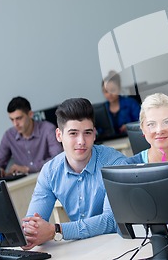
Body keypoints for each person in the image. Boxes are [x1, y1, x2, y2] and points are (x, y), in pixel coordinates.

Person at [21, 98, 127, 249]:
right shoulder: (50, 171)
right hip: (81, 249)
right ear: (59, 135)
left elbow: (111, 220)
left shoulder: (115, 163)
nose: (81, 141)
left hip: (119, 247)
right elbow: (32, 223)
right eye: (73, 133)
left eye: (87, 133)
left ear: (95, 134)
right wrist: (32, 232)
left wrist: (56, 230)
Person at [0, 96, 63, 175]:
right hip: (23, 184)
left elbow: (58, 158)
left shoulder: (48, 129)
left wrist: (28, 169)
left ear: (30, 114)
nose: (15, 124)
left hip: (49, 178)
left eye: (19, 118)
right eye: (12, 119)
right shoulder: (9, 135)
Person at [102, 70, 141, 135]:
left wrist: (129, 127)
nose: (109, 94)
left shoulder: (131, 103)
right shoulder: (103, 108)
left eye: (113, 90)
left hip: (130, 137)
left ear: (119, 89)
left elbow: (141, 122)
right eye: (106, 91)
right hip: (110, 141)